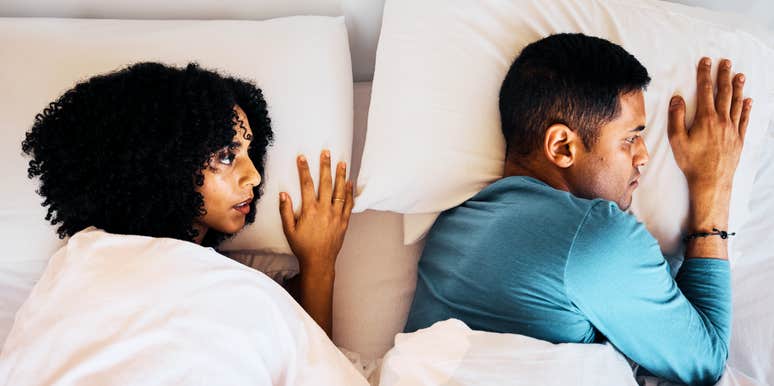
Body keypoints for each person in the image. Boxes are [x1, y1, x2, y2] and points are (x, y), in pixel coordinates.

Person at [404, 33, 752, 385]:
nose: (643, 156)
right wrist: (713, 185)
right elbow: (705, 361)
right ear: (562, 146)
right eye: (629, 138)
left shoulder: (450, 230)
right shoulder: (597, 237)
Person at [0, 62, 366, 385]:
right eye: (226, 156)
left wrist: (317, 262)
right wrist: (319, 267)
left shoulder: (234, 286)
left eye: (249, 152)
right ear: (165, 162)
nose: (254, 176)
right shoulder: (79, 268)